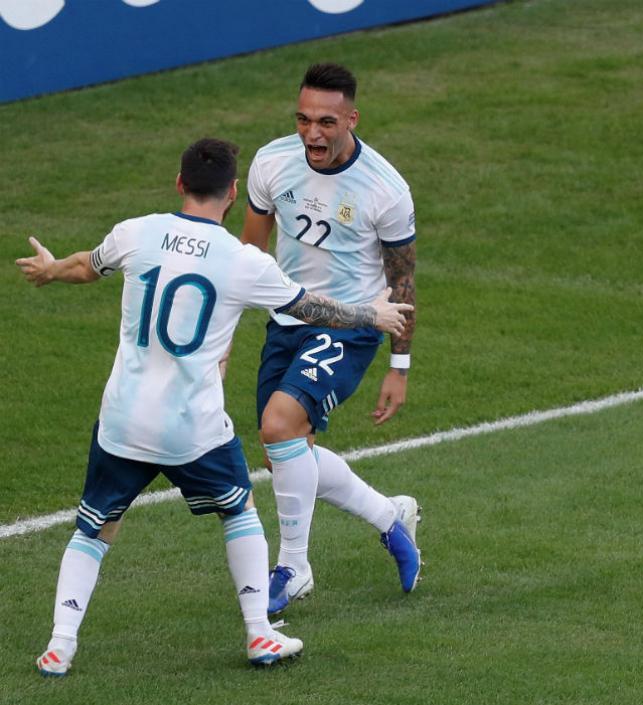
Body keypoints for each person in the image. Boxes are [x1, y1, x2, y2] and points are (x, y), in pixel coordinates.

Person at [15, 138, 412, 676]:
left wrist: (49, 269)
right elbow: (311, 307)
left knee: (93, 531)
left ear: (179, 184)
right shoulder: (243, 262)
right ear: (231, 194)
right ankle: (259, 635)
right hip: (191, 427)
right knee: (239, 511)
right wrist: (371, 315)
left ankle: (60, 646)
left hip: (123, 420)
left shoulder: (135, 232)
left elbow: (88, 265)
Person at [239, 63, 420, 615]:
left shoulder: (385, 191)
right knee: (286, 454)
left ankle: (293, 567)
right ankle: (391, 517)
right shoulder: (272, 162)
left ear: (350, 119)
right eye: (302, 120)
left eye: (325, 122)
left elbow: (403, 282)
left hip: (352, 327)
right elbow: (247, 258)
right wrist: (219, 342)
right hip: (287, 319)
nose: (312, 133)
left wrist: (400, 366)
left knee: (278, 424)